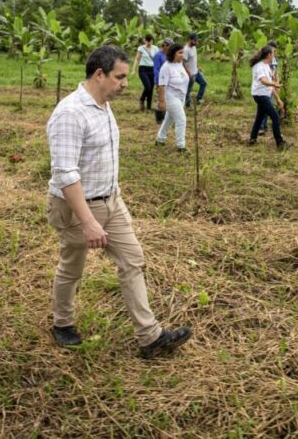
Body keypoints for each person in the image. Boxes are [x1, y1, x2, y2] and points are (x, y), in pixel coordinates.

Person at [46, 45, 191, 358]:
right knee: (72, 267)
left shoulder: (103, 103)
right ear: (100, 75)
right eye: (120, 77)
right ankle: (62, 323)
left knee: (133, 260)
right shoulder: (71, 114)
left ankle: (150, 337)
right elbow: (65, 174)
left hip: (111, 200)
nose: (126, 83)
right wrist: (88, 221)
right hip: (76, 208)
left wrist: (112, 198)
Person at [248, 45, 290, 150]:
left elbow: (270, 87)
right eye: (273, 53)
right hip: (260, 95)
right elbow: (264, 81)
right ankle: (280, 143)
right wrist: (274, 84)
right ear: (268, 55)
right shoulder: (260, 66)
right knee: (275, 116)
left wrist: (278, 100)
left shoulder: (267, 65)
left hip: (264, 94)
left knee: (259, 117)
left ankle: (252, 139)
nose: (274, 55)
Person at [156, 43, 191, 152]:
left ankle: (160, 139)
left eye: (182, 52)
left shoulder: (180, 64)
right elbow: (161, 85)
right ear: (173, 53)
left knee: (169, 119)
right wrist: (162, 102)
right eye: (179, 53)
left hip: (181, 96)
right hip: (170, 97)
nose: (182, 55)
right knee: (181, 119)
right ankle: (181, 146)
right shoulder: (166, 67)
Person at [257, 40, 284, 135]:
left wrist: (277, 82)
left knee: (263, 108)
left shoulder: (274, 59)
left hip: (271, 84)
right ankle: (263, 127)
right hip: (265, 86)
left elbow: (275, 72)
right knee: (268, 107)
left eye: (275, 52)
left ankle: (261, 127)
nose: (274, 53)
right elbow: (264, 76)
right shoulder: (264, 61)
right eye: (273, 51)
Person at [183, 33, 207, 107]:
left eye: (197, 40)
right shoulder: (186, 50)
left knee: (204, 83)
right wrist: (188, 72)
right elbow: (183, 63)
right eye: (195, 41)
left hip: (196, 71)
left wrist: (198, 67)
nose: (197, 42)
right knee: (188, 89)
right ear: (190, 40)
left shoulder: (194, 47)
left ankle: (198, 99)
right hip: (190, 73)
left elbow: (194, 59)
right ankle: (187, 104)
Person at [133, 35, 156, 112]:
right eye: (147, 41)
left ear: (152, 41)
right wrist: (133, 70)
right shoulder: (141, 48)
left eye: (150, 41)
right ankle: (142, 99)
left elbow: (157, 59)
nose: (149, 42)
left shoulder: (155, 48)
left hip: (152, 69)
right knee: (148, 87)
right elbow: (137, 59)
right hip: (143, 69)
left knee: (151, 88)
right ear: (145, 40)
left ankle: (149, 107)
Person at [152, 39, 171, 124]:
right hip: (160, 80)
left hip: (168, 80)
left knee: (167, 98)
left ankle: (165, 116)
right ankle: (159, 118)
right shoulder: (158, 55)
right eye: (169, 46)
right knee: (160, 98)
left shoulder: (169, 55)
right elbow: (156, 69)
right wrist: (160, 80)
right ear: (165, 46)